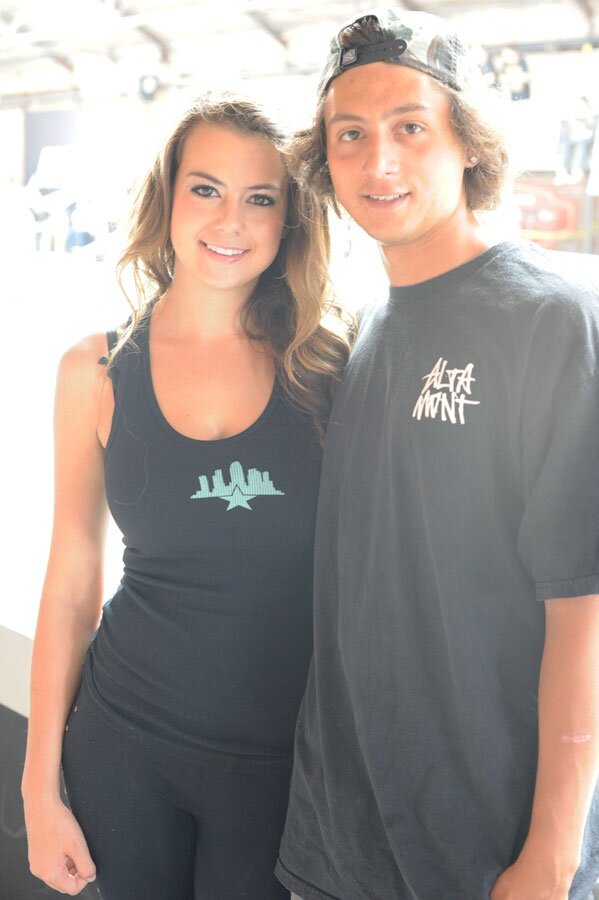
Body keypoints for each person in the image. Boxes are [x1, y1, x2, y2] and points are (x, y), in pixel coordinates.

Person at [275, 9, 599, 900]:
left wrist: (550, 855)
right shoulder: (369, 328)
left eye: (409, 127)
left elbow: (583, 611)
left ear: (467, 143)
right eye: (349, 134)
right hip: (341, 844)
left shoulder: (548, 321)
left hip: (486, 852)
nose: (377, 162)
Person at [21, 94, 352, 900]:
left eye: (259, 198)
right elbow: (71, 584)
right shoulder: (94, 371)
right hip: (122, 747)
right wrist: (37, 788)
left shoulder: (329, 368)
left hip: (278, 769)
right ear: (167, 198)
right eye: (206, 189)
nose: (230, 220)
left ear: (288, 220)